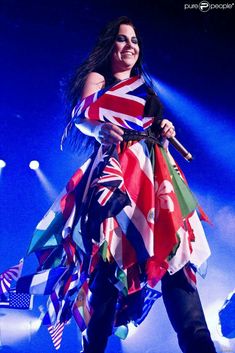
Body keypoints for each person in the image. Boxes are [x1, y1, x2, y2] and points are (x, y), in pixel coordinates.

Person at [20, 16, 217, 353]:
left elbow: (153, 137)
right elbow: (82, 116)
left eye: (135, 41)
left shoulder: (146, 88)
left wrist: (164, 133)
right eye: (123, 39)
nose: (130, 46)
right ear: (109, 45)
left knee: (174, 261)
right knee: (108, 279)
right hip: (117, 177)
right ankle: (92, 340)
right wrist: (97, 130)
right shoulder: (101, 78)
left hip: (156, 182)